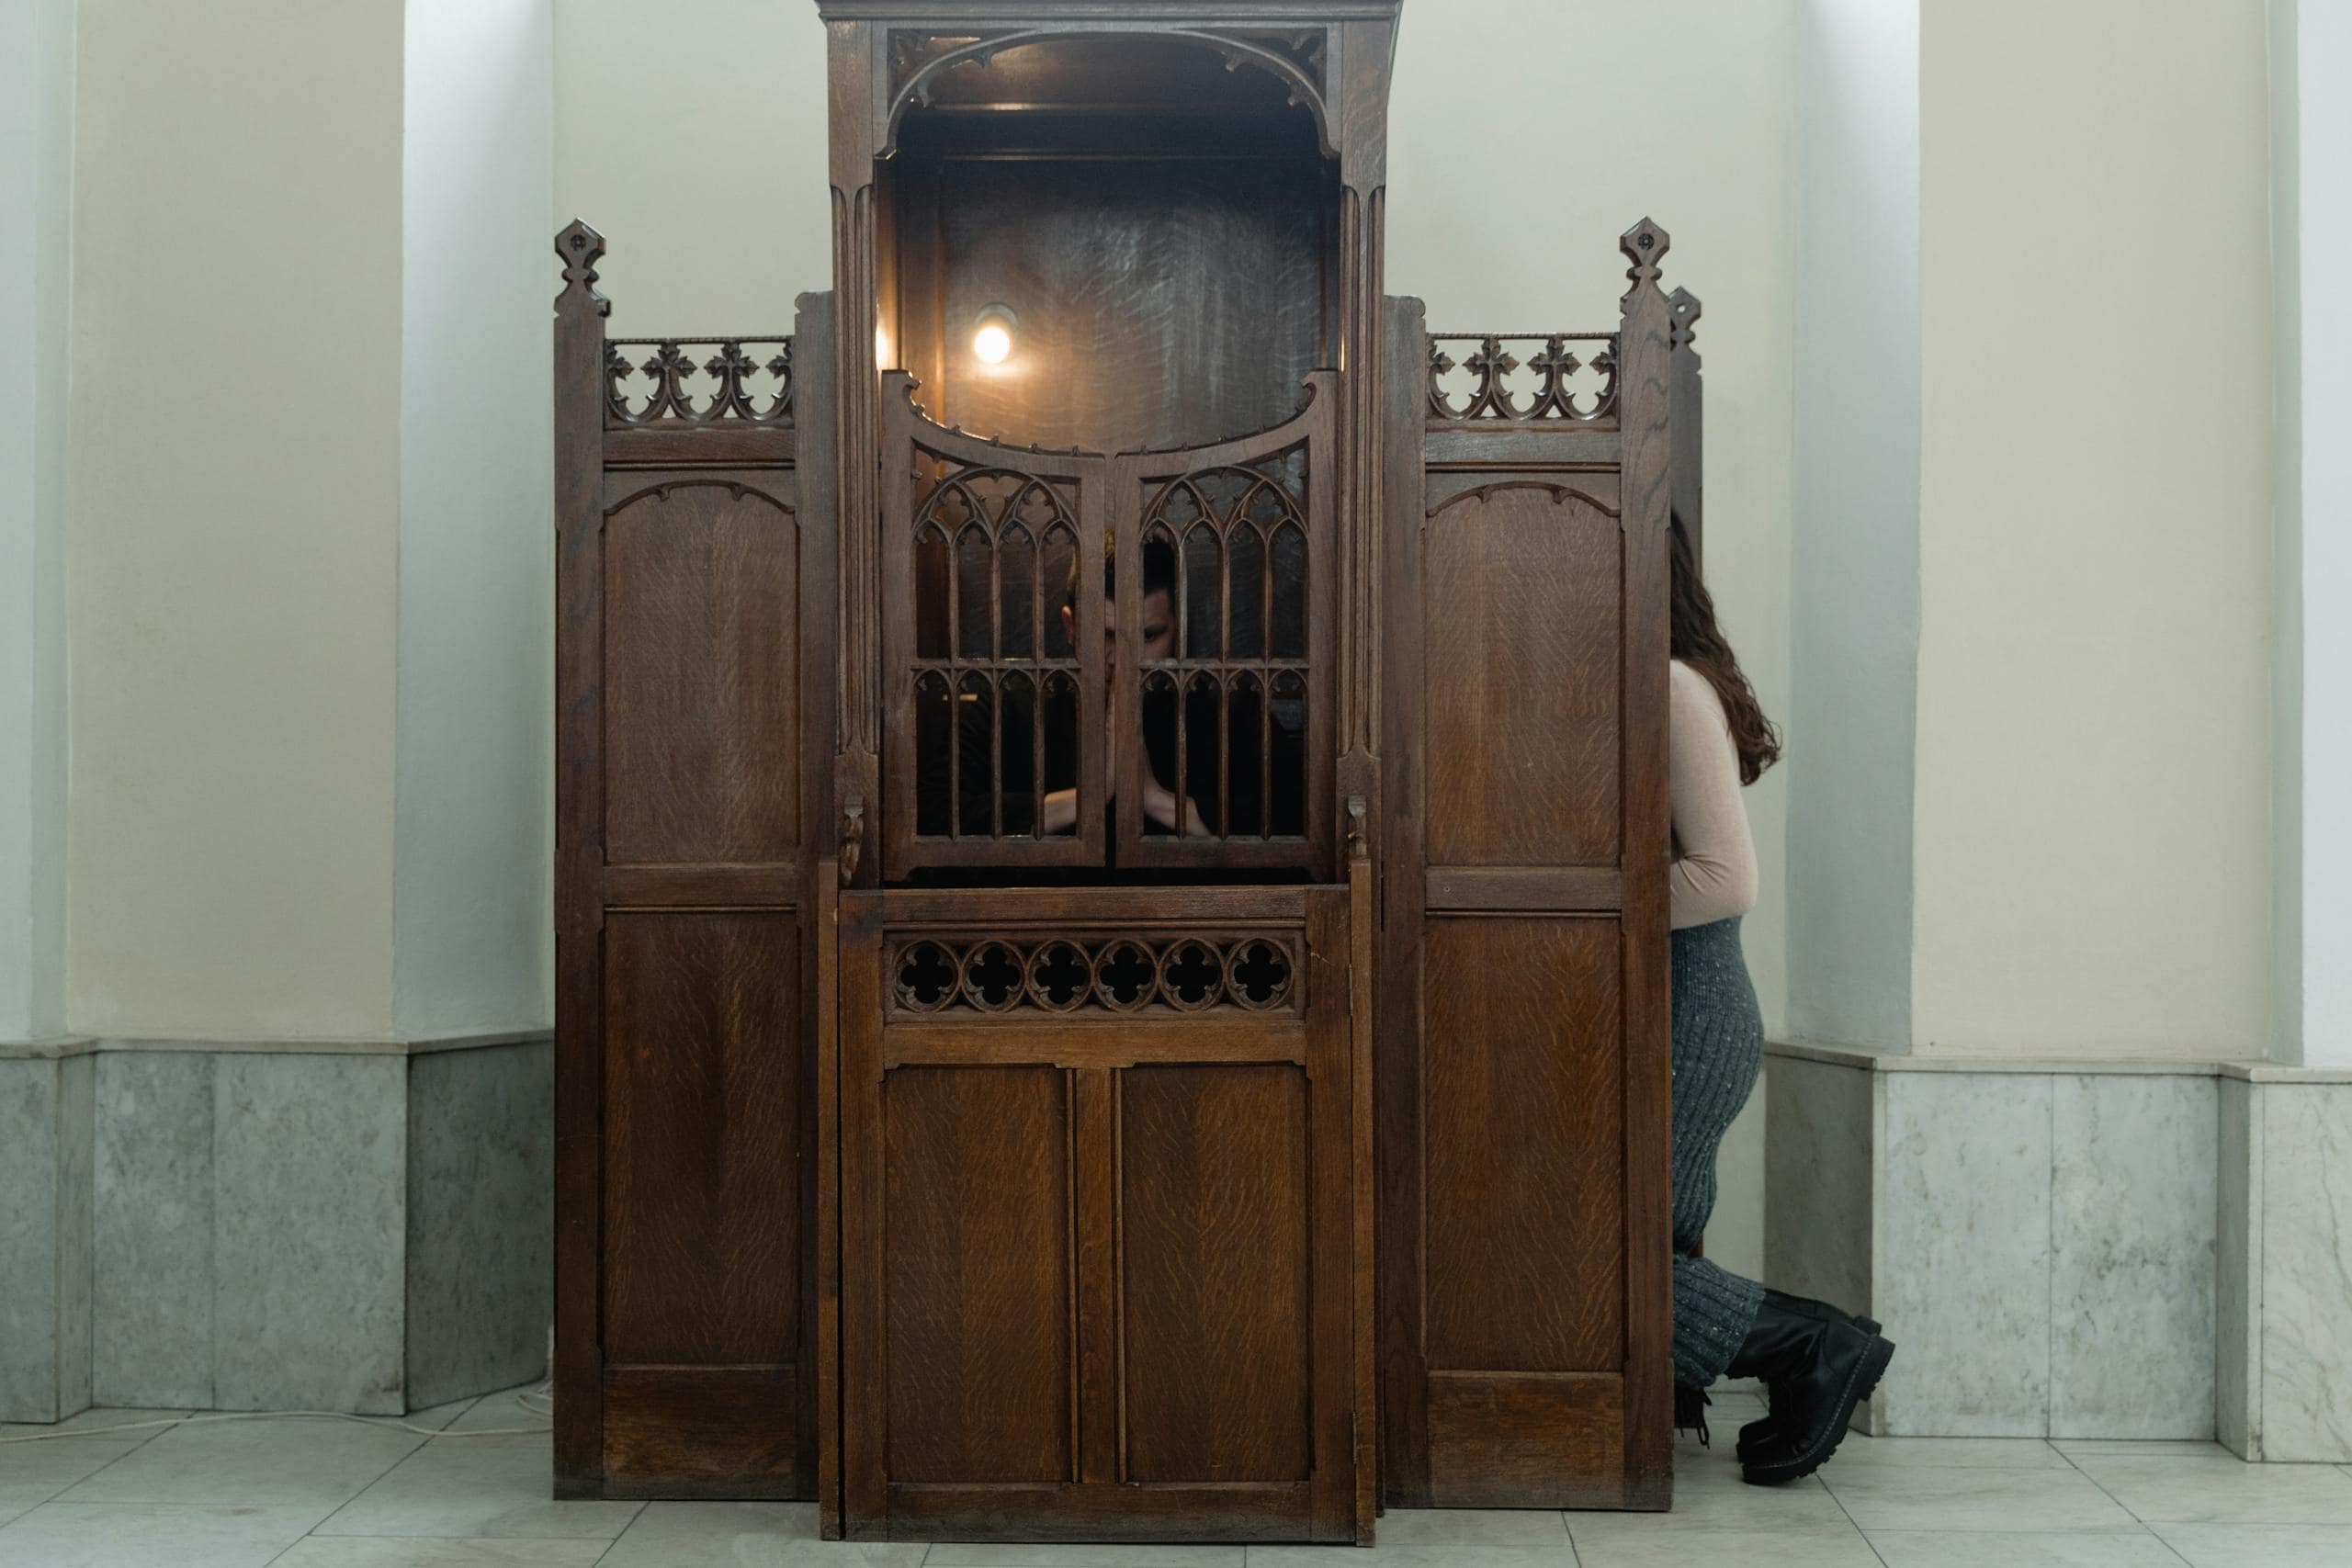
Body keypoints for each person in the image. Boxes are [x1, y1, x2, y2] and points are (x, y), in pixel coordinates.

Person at [1664, 514, 1894, 1486]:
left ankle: (1810, 1348)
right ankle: (1821, 1341)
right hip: (1667, 1017)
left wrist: (1579, 911)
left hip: (1688, 1022)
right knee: (1609, 1240)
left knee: (1593, 1254)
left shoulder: (1668, 686)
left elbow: (1725, 878)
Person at [917, 536, 1210, 850]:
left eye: (1149, 635)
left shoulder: (1219, 712)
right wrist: (1088, 798)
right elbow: (932, 814)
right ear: (1071, 627)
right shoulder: (1008, 703)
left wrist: (1154, 799)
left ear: (1178, 628)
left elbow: (1266, 823)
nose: (1122, 660)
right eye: (1104, 635)